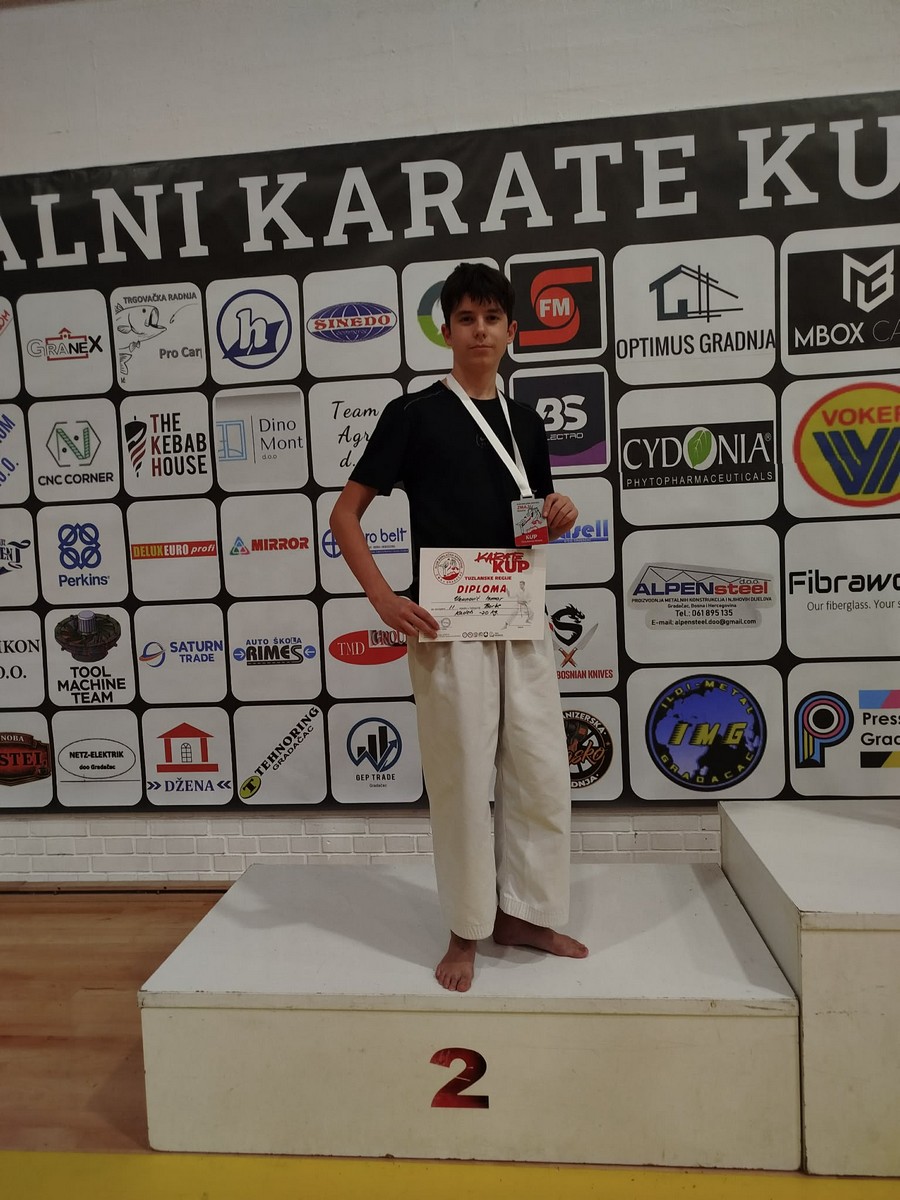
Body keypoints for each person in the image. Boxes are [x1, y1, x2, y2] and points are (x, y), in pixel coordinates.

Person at [329, 262, 588, 992]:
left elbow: (526, 527)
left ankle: (525, 913)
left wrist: (557, 516)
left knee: (540, 771)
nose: (480, 331)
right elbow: (345, 514)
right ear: (446, 330)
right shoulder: (413, 413)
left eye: (492, 318)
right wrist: (383, 598)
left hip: (519, 614)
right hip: (447, 622)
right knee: (464, 779)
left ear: (512, 331)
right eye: (467, 319)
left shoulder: (525, 422)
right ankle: (466, 927)